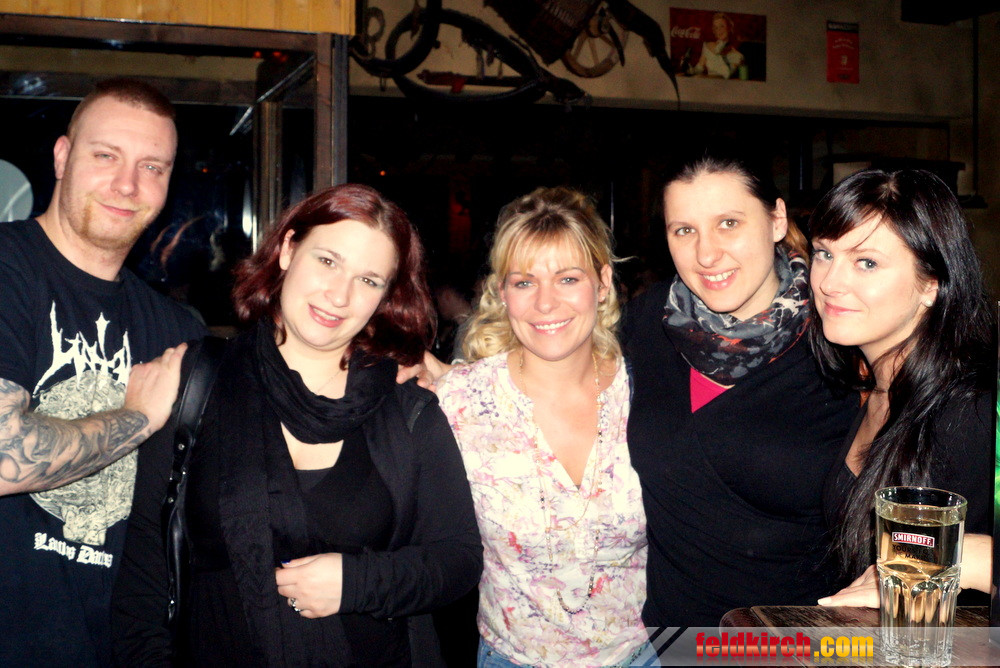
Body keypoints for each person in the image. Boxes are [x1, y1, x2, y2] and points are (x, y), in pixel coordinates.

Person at [112, 183, 482, 665]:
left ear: (385, 296)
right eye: (327, 261)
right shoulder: (196, 383)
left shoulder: (409, 410)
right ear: (288, 249)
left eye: (369, 280)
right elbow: (143, 572)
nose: (339, 295)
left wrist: (358, 583)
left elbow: (458, 559)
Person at [0, 78, 206, 666]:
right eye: (106, 156)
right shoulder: (8, 266)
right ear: (62, 157)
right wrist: (136, 417)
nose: (128, 184)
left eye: (151, 167)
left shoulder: (177, 330)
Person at [623, 145, 859, 627]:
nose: (706, 254)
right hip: (671, 642)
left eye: (728, 223)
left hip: (797, 643)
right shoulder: (645, 323)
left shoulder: (841, 338)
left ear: (776, 221)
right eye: (684, 230)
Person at [436, 187, 648, 667]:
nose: (545, 303)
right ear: (502, 292)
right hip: (511, 658)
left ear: (603, 282)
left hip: (644, 654)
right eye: (524, 282)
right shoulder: (461, 401)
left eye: (568, 278)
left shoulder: (648, 392)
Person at [805, 168, 994, 605]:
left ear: (932, 284)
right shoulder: (878, 390)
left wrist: (957, 554)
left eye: (866, 262)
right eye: (824, 254)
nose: (829, 283)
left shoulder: (973, 408)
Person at [692, 12, 745, 79]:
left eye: (722, 26)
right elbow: (698, 69)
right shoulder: (707, 47)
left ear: (729, 28)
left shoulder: (738, 56)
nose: (719, 30)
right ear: (714, 31)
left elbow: (730, 76)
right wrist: (689, 70)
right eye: (716, 28)